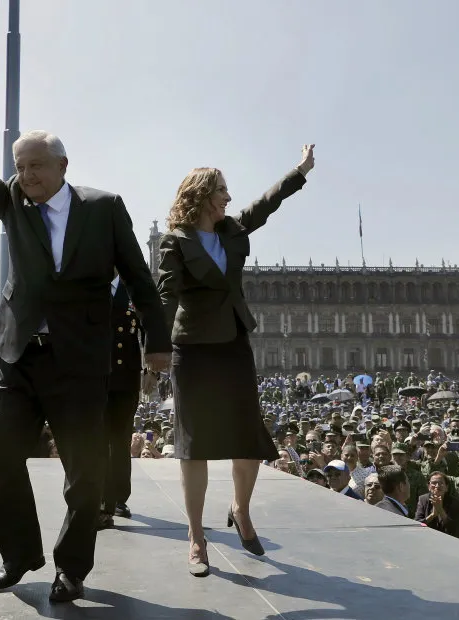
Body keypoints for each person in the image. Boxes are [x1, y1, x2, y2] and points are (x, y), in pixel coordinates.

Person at [0, 58, 170, 603]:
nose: (24, 176)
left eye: (34, 167)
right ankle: (18, 554)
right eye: (19, 167)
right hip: (20, 352)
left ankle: (71, 568)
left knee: (84, 470)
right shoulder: (10, 201)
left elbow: (140, 278)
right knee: (1, 446)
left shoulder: (103, 208)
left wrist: (159, 343)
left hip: (79, 357)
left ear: (62, 165)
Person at [156, 145, 315, 576]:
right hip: (192, 348)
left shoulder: (231, 230)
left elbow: (266, 205)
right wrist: (153, 347)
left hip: (233, 341)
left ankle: (240, 510)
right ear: (203, 194)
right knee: (194, 446)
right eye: (222, 190)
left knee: (249, 436)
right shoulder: (175, 240)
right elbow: (167, 296)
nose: (228, 196)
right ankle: (195, 537)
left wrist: (298, 172)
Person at [99, 274, 144, 530]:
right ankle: (99, 498)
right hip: (96, 374)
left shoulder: (134, 288)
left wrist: (151, 368)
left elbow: (150, 324)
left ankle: (118, 499)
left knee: (120, 439)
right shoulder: (91, 282)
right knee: (97, 439)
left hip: (126, 376)